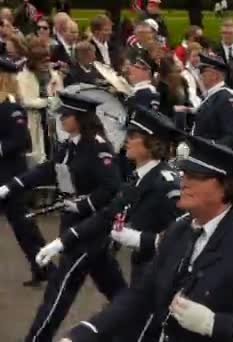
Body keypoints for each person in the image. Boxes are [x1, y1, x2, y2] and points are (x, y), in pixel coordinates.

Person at [60, 134, 233, 342]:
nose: (184, 181)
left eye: (196, 176)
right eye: (184, 173)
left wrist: (213, 324)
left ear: (225, 187)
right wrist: (86, 332)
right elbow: (142, 294)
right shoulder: (180, 230)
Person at [35, 106, 183, 341]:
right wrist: (62, 241)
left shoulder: (165, 183)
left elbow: (185, 234)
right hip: (143, 271)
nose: (127, 140)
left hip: (161, 278)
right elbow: (106, 215)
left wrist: (145, 240)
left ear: (151, 144)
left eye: (134, 136)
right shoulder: (139, 178)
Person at [0, 92, 122, 342]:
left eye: (66, 115)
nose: (61, 119)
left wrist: (84, 204)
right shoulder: (69, 145)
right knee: (116, 290)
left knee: (59, 290)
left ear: (80, 118)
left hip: (89, 228)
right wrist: (10, 186)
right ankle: (144, 325)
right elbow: (47, 170)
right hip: (73, 224)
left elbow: (111, 187)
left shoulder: (97, 146)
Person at [0, 57, 51, 287]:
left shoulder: (10, 106)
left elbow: (21, 140)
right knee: (23, 227)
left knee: (24, 227)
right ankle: (44, 268)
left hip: (10, 174)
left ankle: (46, 266)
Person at [17, 36, 63, 166]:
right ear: (34, 62)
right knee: (36, 152)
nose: (46, 64)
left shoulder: (54, 75)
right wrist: (47, 101)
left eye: (47, 61)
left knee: (52, 149)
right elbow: (25, 101)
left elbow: (61, 95)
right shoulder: (23, 77)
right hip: (33, 119)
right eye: (42, 62)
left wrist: (55, 101)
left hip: (52, 120)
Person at [191, 53, 233, 150]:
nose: (200, 75)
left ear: (215, 75)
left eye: (203, 71)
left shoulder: (226, 98)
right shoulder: (211, 96)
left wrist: (207, 146)